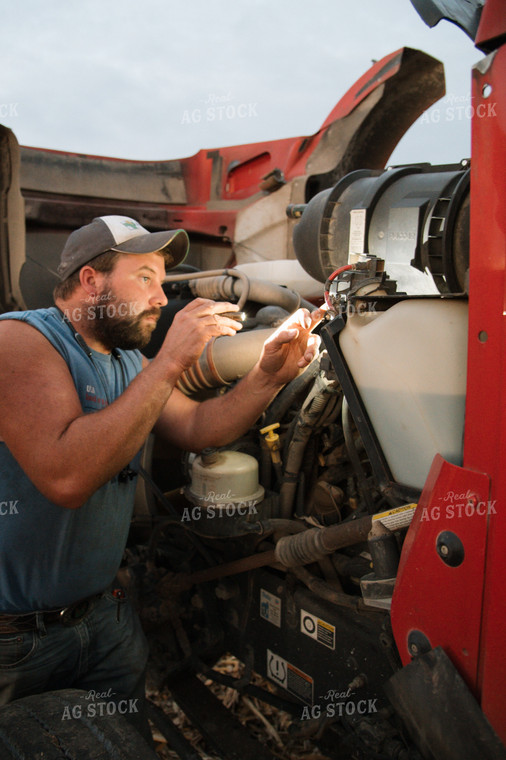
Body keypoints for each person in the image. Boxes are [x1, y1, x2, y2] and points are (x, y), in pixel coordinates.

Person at [0, 215, 322, 742]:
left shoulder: (126, 359)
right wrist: (171, 359)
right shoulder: (20, 340)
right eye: (145, 277)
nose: (159, 297)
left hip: (105, 620)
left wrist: (268, 376)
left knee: (121, 743)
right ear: (90, 281)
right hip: (18, 645)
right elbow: (68, 478)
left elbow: (197, 426)